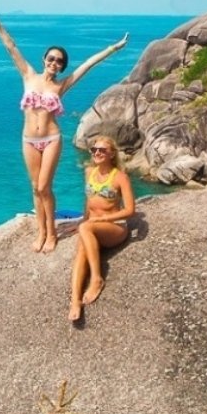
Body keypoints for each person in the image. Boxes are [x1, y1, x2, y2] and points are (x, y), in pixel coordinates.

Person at [0, 2, 128, 252]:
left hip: (51, 138)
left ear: (62, 66)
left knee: (44, 187)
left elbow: (89, 64)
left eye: (59, 61)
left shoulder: (61, 85)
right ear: (44, 59)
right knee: (34, 189)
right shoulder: (28, 76)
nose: (54, 63)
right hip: (28, 139)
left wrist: (113, 48)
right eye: (51, 58)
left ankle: (51, 233)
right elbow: (11, 47)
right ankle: (41, 232)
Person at [70, 134, 136, 323]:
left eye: (102, 150)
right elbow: (88, 200)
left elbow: (130, 210)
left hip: (114, 227)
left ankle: (97, 278)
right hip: (92, 226)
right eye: (94, 149)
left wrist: (105, 218)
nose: (97, 153)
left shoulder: (120, 177)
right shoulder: (89, 171)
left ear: (111, 153)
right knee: (81, 250)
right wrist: (83, 220)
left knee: (86, 229)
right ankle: (75, 301)